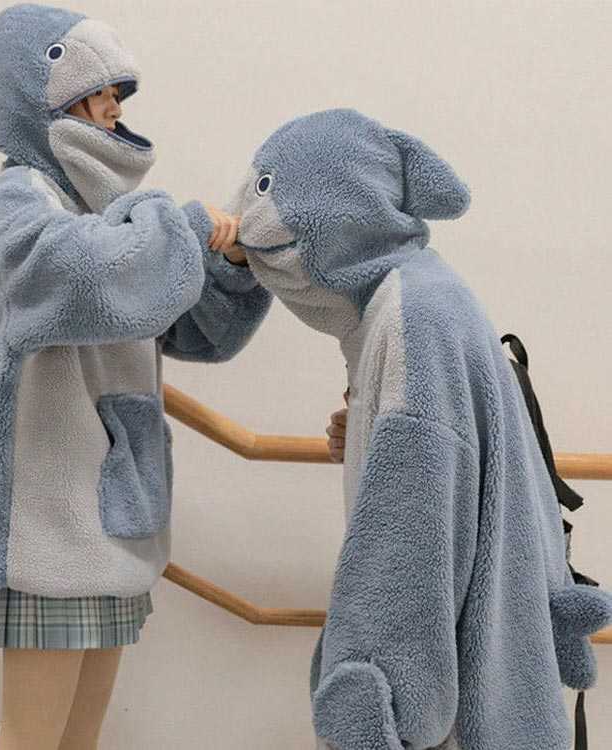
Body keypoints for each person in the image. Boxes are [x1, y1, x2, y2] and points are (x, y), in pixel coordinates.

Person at [0, 4, 270, 749]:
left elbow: (182, 323)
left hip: (113, 518)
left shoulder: (105, 210)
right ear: (38, 95)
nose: (115, 107)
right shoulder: (18, 197)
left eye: (119, 93)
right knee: (32, 738)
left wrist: (231, 268)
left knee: (78, 739)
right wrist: (175, 228)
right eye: (100, 91)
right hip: (50, 520)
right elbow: (80, 276)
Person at [210, 107, 612, 749]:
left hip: (450, 698)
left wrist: (378, 695)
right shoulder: (425, 292)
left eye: (264, 187)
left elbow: (407, 540)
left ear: (330, 204)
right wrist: (369, 431)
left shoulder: (410, 317)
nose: (244, 212)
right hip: (491, 646)